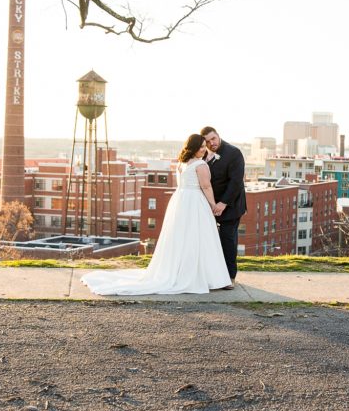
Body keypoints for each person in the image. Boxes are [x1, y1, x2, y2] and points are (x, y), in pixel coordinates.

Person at [80, 133, 231, 295]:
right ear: (193, 147)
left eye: (204, 146)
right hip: (195, 202)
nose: (204, 149)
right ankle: (206, 277)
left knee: (181, 238)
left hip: (180, 201)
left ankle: (184, 272)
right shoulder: (201, 165)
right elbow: (206, 186)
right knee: (199, 237)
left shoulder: (181, 163)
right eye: (201, 147)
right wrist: (213, 205)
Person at [200, 126, 246, 288]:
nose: (211, 143)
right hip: (208, 206)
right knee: (209, 240)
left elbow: (236, 182)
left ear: (218, 135)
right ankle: (210, 275)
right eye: (207, 141)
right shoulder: (202, 154)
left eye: (213, 138)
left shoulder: (234, 153)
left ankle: (229, 277)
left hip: (231, 205)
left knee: (228, 239)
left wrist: (223, 203)